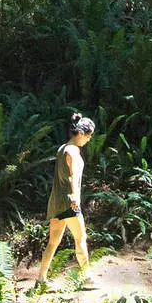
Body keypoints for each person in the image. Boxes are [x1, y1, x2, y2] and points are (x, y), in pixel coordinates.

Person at [35, 113, 93, 284]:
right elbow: (73, 176)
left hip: (56, 203)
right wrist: (75, 197)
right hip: (69, 203)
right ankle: (87, 278)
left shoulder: (62, 148)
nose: (89, 140)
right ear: (81, 134)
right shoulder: (73, 151)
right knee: (81, 238)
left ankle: (41, 279)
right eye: (89, 136)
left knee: (53, 241)